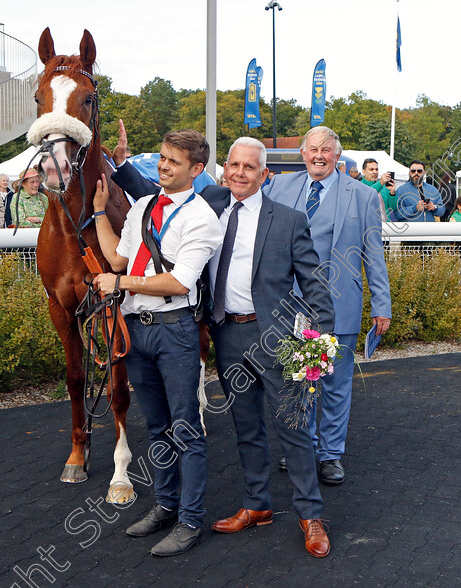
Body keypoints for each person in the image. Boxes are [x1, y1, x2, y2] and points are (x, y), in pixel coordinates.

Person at [113, 130, 335, 557]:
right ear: (221, 169)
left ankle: (311, 515)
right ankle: (257, 506)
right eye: (233, 164)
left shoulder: (289, 220)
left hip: (278, 337)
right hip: (227, 334)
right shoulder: (210, 204)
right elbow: (159, 193)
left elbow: (315, 284)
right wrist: (122, 167)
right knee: (246, 427)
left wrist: (319, 342)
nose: (239, 172)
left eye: (249, 167)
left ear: (265, 175)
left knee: (293, 429)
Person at [91, 129, 223, 557]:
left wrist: (121, 283)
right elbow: (116, 259)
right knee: (156, 426)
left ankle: (189, 520)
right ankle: (165, 505)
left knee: (186, 429)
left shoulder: (202, 217)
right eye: (162, 157)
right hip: (138, 329)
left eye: (174, 161)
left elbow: (181, 281)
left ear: (196, 169)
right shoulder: (144, 206)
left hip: (174, 330)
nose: (163, 165)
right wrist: (97, 215)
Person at [263, 126, 391, 486]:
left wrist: (382, 304)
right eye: (313, 149)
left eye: (326, 150)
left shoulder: (364, 196)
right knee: (295, 380)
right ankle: (300, 446)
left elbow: (374, 256)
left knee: (335, 382)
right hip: (289, 305)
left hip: (340, 303)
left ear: (337, 155)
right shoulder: (279, 187)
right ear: (302, 153)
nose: (319, 155)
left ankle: (330, 455)